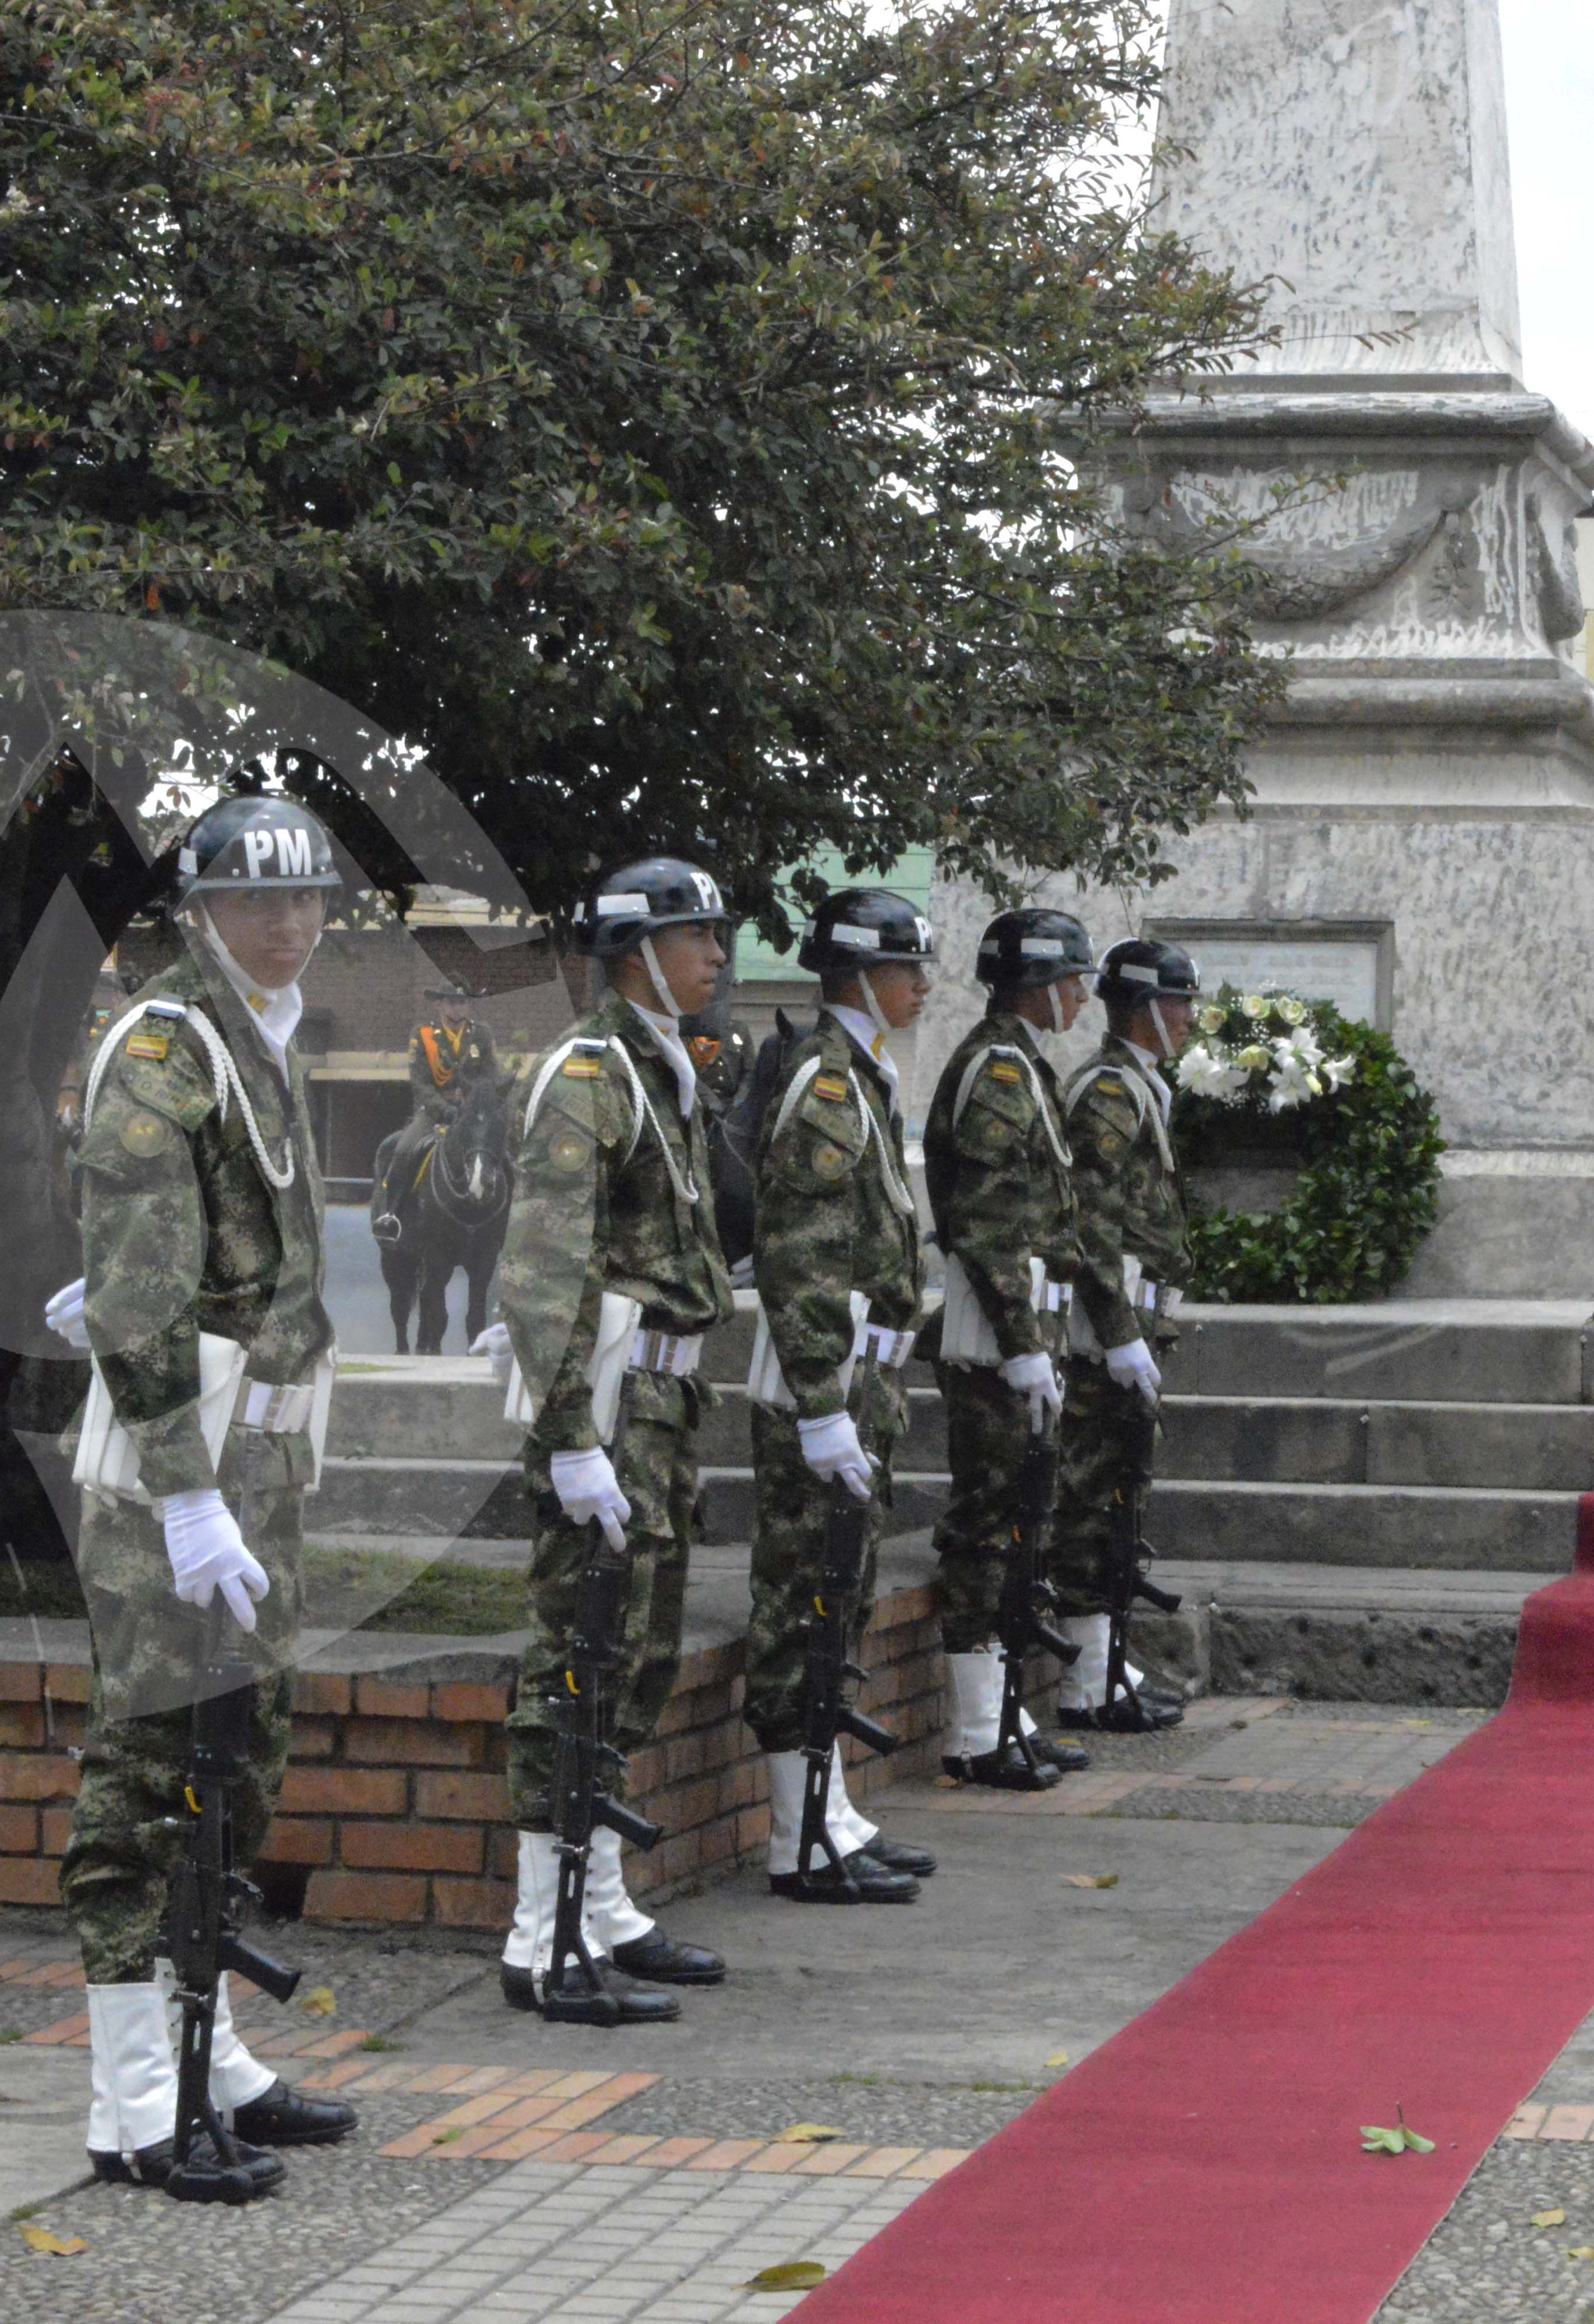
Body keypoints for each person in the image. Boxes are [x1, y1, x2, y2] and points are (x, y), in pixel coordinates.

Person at [58, 792, 358, 2202]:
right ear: (202, 910)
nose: (286, 922)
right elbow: (137, 1290)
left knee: (236, 1762)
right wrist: (184, 1495)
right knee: (149, 1772)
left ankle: (212, 2049)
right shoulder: (166, 1046)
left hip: (259, 1467)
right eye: (255, 899)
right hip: (180, 1471)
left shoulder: (260, 1039)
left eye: (305, 899)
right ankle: (131, 2096)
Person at [485, 858, 737, 2017]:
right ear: (637, 952)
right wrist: (569, 1437)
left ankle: (598, 1902)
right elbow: (547, 1270)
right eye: (697, 935)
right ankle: (541, 1933)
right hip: (609, 1405)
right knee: (576, 1657)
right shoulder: (590, 1074)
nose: (717, 954)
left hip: (660, 1408)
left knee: (631, 1658)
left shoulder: (660, 1068)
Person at [740, 887, 940, 1903]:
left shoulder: (860, 1076)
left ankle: (827, 1810)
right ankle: (797, 1833)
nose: (922, 985)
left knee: (842, 1589)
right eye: (906, 968)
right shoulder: (827, 1082)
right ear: (859, 975)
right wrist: (821, 1405)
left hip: (859, 1376)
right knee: (804, 1598)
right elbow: (802, 1256)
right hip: (824, 1379)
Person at [923, 908, 1135, 1789]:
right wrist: (1021, 1343)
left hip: (1024, 1330)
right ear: (1039, 985)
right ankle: (977, 1730)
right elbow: (989, 1222)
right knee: (989, 1523)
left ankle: (1004, 1709)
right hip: (995, 1338)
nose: (1082, 997)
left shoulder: (1024, 1065)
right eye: (1072, 981)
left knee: (1022, 1518)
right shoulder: (1000, 1070)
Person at [1050, 939, 1201, 1733]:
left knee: (1120, 1491)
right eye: (1179, 1002)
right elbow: (1093, 1222)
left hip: (1135, 1319)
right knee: (1092, 1494)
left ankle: (1106, 1661)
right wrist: (1115, 1332)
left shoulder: (1138, 1084)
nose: (1190, 1017)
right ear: (1144, 1007)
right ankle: (1087, 1681)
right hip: (1107, 1329)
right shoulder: (1109, 1091)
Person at [405, 979, 498, 1133]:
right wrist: (443, 1108)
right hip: (433, 1114)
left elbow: (491, 1077)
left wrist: (472, 1101)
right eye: (452, 1003)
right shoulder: (423, 1035)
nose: (458, 1008)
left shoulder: (482, 1034)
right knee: (405, 1145)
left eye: (462, 1002)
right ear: (439, 1005)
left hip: (474, 1111)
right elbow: (420, 1083)